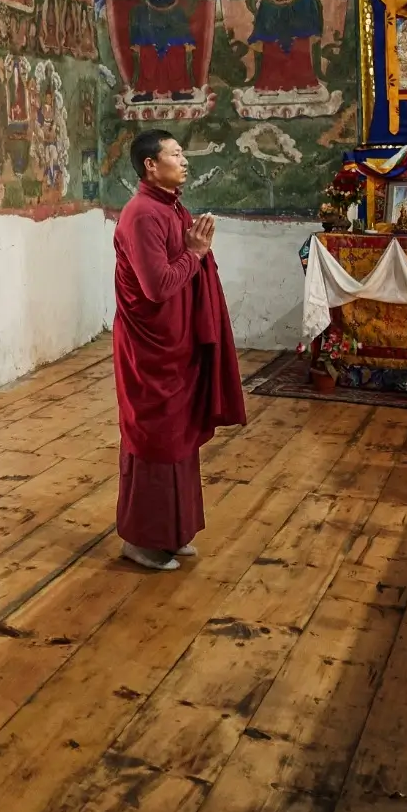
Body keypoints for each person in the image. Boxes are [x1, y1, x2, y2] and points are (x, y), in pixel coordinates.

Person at [113, 130, 246, 570]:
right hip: (151, 350)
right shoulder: (142, 215)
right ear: (151, 165)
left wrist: (192, 250)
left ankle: (173, 531)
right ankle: (143, 540)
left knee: (180, 437)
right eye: (175, 154)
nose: (184, 160)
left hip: (177, 343)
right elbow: (158, 287)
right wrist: (194, 253)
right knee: (155, 439)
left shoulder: (171, 208)